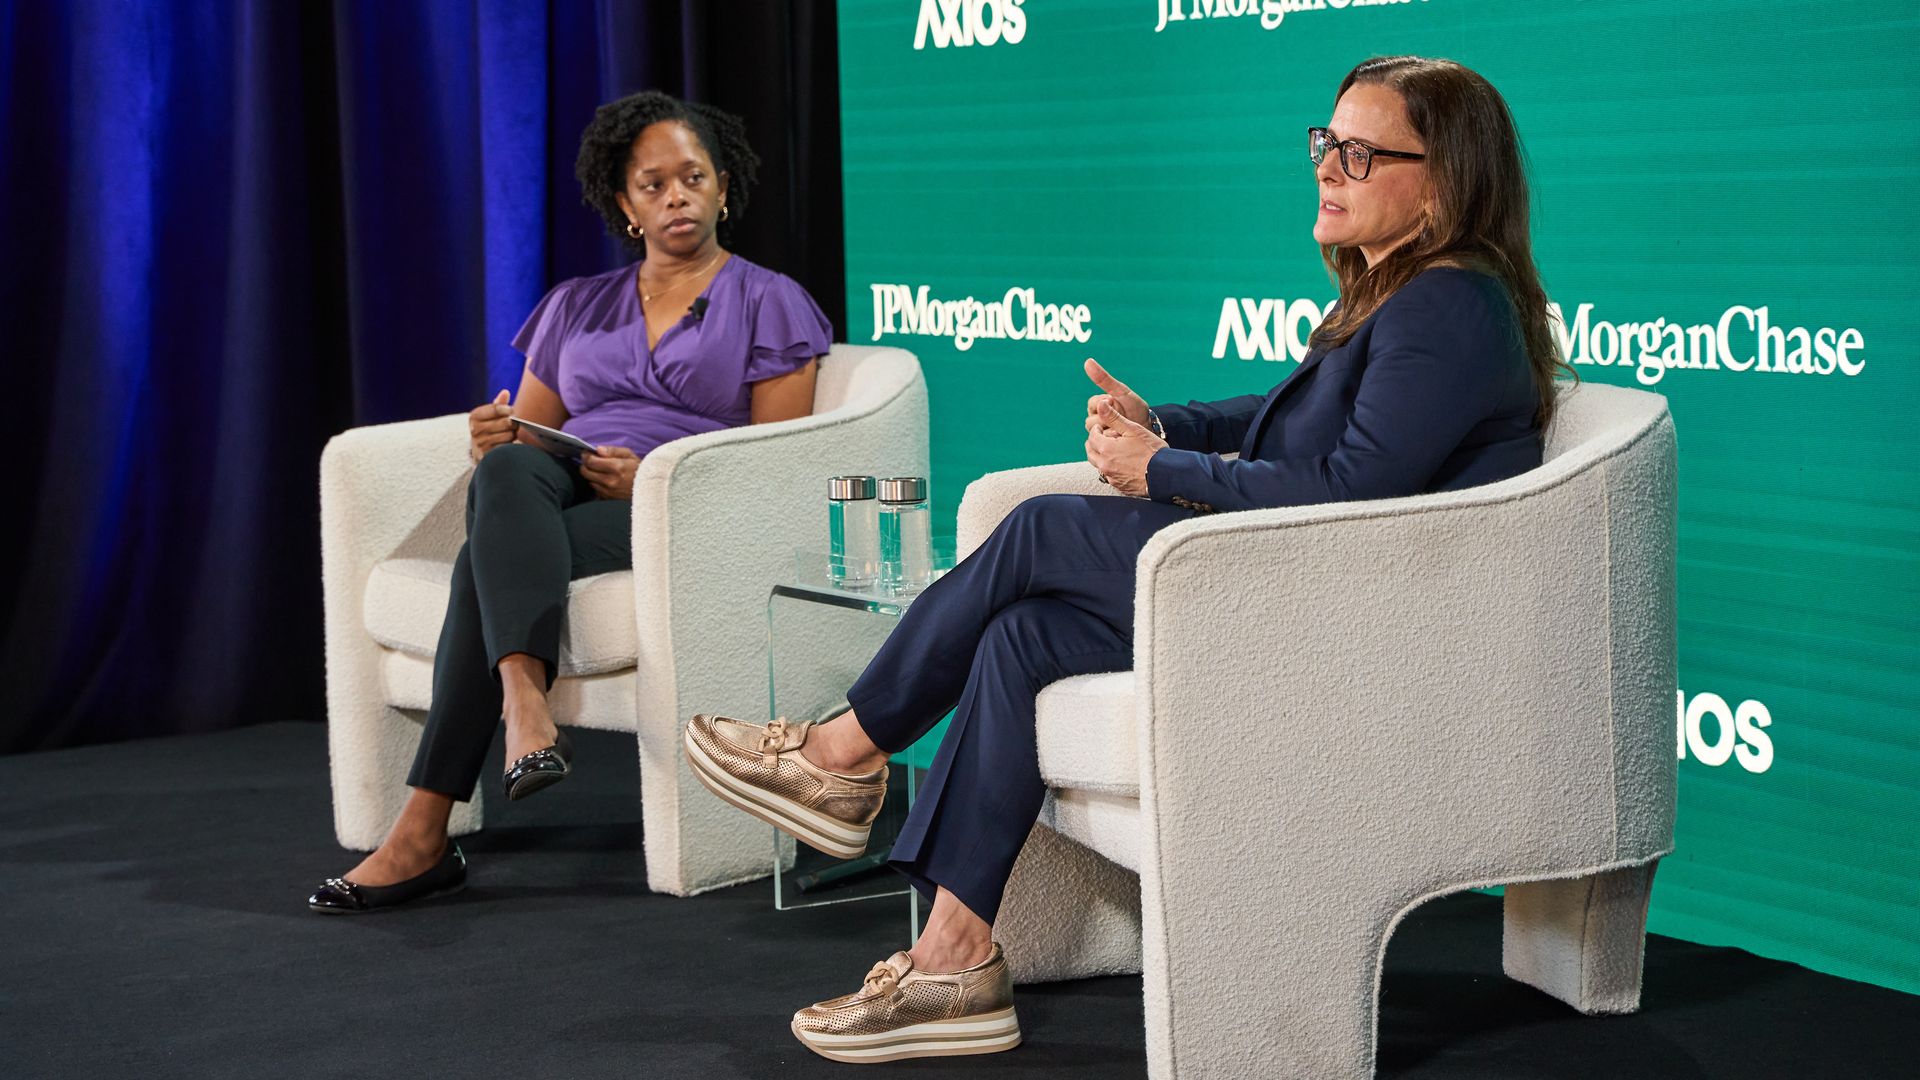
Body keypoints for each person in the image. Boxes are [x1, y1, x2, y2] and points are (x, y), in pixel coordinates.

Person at [684, 55, 1574, 1061]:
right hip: (1296, 581)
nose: (1330, 168)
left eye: (1364, 154)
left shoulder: (1449, 305)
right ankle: (954, 958)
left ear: (1445, 180)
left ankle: (842, 753)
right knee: (1021, 638)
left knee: (1036, 530)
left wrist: (1162, 469)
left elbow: (1349, 492)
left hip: (1339, 613)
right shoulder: (1403, 291)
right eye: (1327, 143)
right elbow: (1288, 426)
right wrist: (1170, 422)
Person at [309, 90, 833, 914]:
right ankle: (524, 703)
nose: (677, 198)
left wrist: (657, 470)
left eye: (693, 178)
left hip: (677, 503)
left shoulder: (769, 300)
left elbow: (771, 458)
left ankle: (424, 830)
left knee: (486, 565)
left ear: (724, 188)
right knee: (505, 476)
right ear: (625, 204)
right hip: (568, 487)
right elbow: (533, 437)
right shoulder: (575, 305)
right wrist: (496, 437)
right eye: (654, 185)